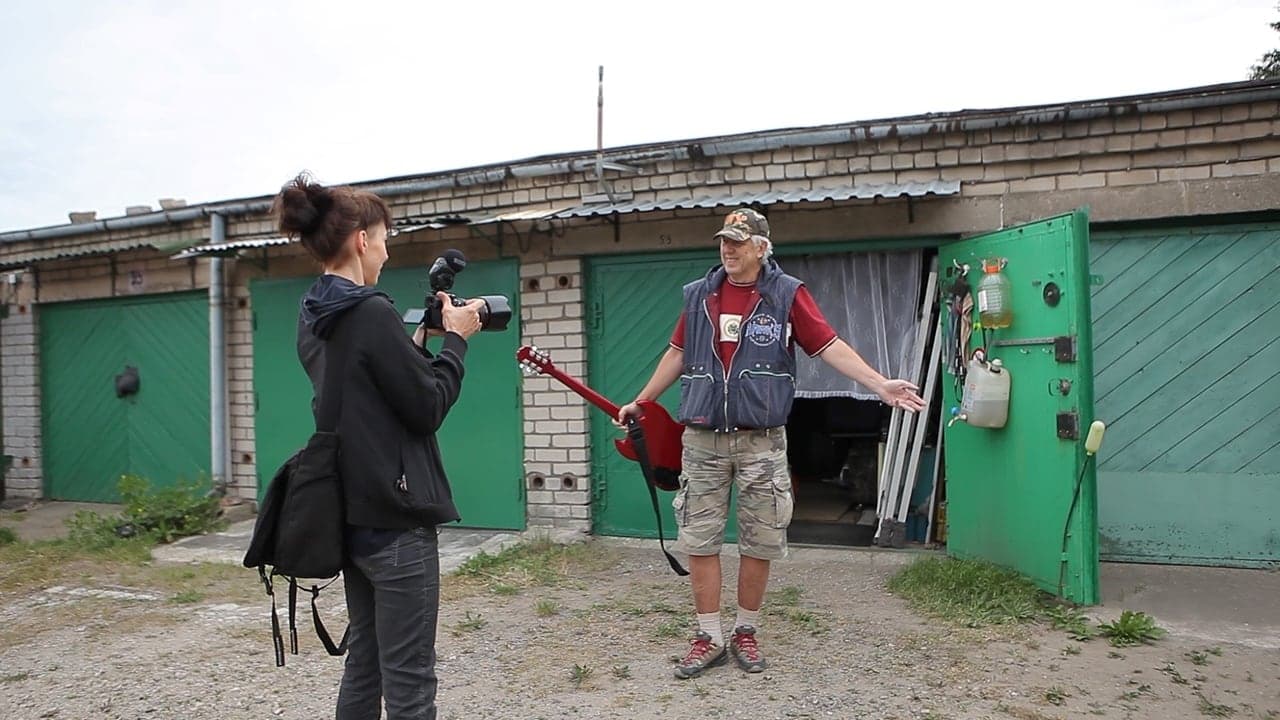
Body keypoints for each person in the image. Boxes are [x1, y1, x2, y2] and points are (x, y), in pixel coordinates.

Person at [617, 208, 925, 680]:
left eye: (739, 242)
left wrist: (879, 383)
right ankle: (709, 636)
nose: (728, 249)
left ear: (762, 247)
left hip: (761, 440)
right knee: (700, 541)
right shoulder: (699, 297)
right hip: (701, 439)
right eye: (724, 241)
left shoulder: (786, 295)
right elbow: (677, 353)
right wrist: (642, 400)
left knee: (760, 540)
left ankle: (746, 630)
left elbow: (828, 344)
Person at [274, 172, 484, 719]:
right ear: (362, 239)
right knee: (411, 681)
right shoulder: (369, 311)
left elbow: (364, 383)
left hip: (353, 518)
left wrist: (417, 339)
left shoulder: (316, 312)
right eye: (385, 239)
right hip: (397, 520)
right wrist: (458, 339)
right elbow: (426, 406)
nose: (387, 253)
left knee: (365, 663)